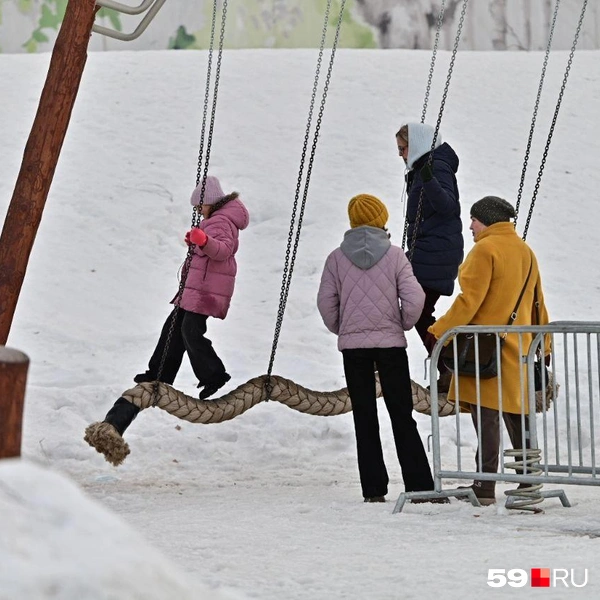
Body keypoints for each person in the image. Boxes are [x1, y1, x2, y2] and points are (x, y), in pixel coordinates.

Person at [428, 196, 550, 505]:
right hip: (517, 349)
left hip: (483, 351)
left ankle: (484, 485)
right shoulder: (526, 251)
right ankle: (527, 481)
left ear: (490, 220)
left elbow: (470, 300)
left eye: (475, 219)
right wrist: (544, 344)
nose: (470, 225)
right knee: (517, 416)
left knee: (487, 417)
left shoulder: (485, 249)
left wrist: (439, 331)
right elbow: (537, 302)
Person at [317, 194, 438, 503]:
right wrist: (401, 323)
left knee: (364, 417)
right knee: (402, 414)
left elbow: (326, 303)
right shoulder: (396, 256)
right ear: (381, 218)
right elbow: (415, 299)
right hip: (390, 346)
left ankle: (373, 490)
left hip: (354, 348)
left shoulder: (336, 258)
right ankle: (420, 486)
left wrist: (344, 328)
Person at [134, 175, 250, 400]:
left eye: (199, 206)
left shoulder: (221, 221)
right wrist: (197, 243)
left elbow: (224, 250)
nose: (198, 211)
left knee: (190, 331)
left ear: (209, 202)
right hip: (198, 289)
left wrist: (204, 241)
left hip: (206, 291)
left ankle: (214, 375)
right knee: (173, 328)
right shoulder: (216, 219)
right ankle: (159, 374)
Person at [396, 123, 463, 392]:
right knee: (418, 310)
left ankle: (450, 366)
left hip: (435, 253)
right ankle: (449, 365)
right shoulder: (427, 166)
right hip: (429, 252)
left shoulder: (436, 167)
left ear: (417, 145)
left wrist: (428, 179)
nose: (400, 154)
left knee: (417, 310)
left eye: (403, 148)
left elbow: (448, 207)